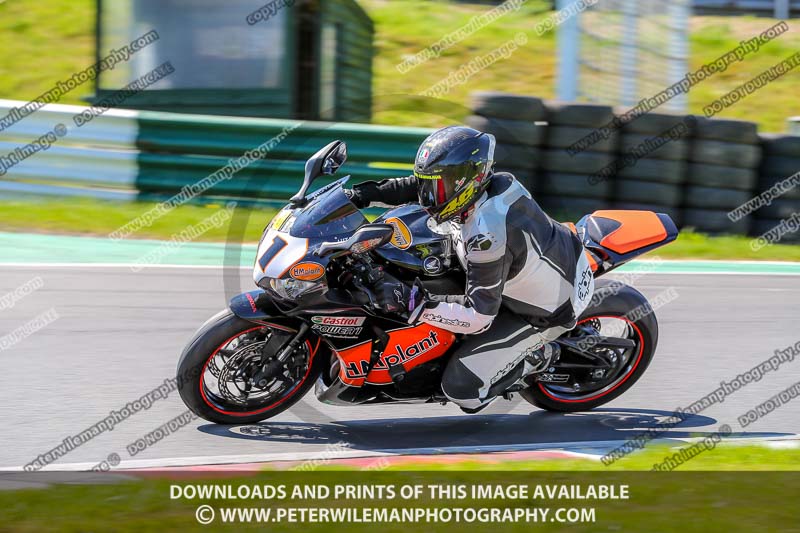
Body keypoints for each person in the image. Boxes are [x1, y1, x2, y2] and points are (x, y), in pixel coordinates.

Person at [346, 126, 594, 412]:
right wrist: (360, 195)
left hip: (540, 310)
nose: (429, 195)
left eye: (438, 186)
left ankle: (540, 356)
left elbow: (479, 316)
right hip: (521, 268)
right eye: (430, 183)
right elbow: (416, 187)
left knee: (463, 390)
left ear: (467, 182)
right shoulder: (484, 187)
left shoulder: (487, 235)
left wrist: (414, 303)